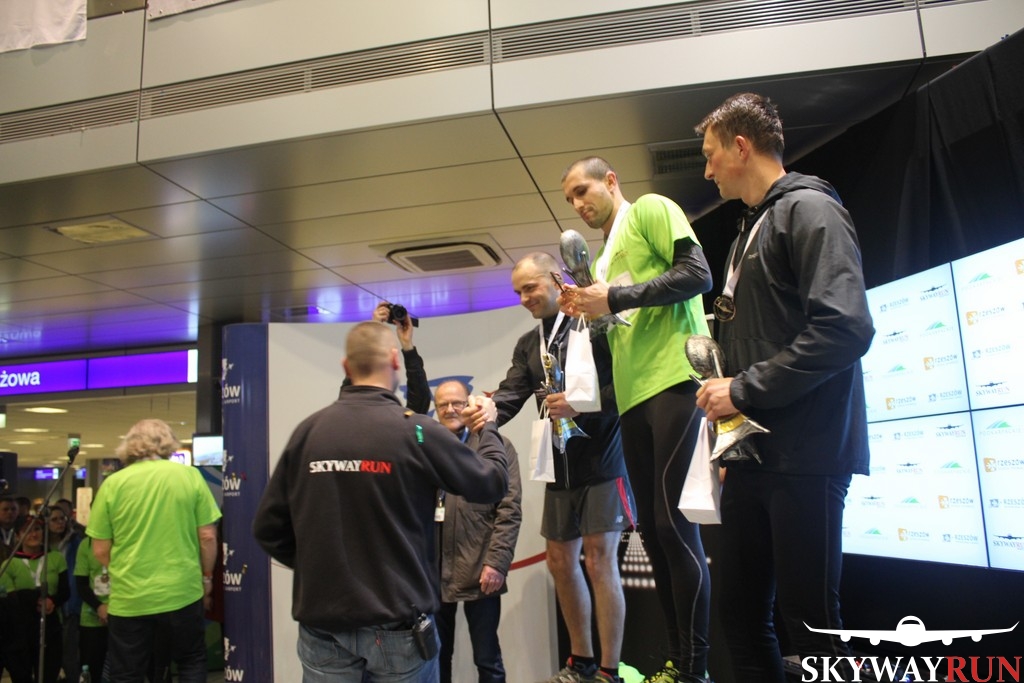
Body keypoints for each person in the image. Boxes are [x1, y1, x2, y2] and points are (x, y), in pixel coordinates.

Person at [693, 92, 875, 682]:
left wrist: (743, 389)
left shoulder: (810, 210)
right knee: (741, 620)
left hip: (807, 454)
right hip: (752, 457)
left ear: (741, 147)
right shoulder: (749, 228)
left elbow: (845, 329)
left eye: (711, 155)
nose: (707, 170)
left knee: (812, 627)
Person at [252, 321, 510, 683]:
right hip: (397, 620)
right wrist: (488, 426)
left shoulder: (309, 432)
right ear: (394, 360)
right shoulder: (416, 431)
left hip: (324, 623)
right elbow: (492, 483)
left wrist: (323, 568)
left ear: (346, 366)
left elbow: (268, 528)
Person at [558, 158, 714, 683]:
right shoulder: (601, 261)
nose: (579, 204)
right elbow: (622, 328)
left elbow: (697, 275)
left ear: (610, 181)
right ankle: (677, 663)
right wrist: (590, 312)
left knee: (674, 528)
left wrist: (613, 297)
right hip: (631, 399)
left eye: (583, 190)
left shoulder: (649, 209)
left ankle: (696, 670)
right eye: (570, 199)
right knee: (653, 532)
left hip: (674, 380)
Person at [492, 252, 635, 683]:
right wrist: (485, 410)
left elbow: (626, 386)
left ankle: (609, 669)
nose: (523, 298)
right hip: (557, 464)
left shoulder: (595, 324)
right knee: (558, 560)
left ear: (556, 280)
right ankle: (581, 661)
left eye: (530, 288)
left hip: (603, 461)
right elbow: (511, 393)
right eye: (518, 292)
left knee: (599, 560)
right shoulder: (528, 344)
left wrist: (582, 403)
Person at [86, 418, 221, 683]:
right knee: (190, 660)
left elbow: (100, 549)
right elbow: (207, 536)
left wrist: (126, 569)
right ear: (169, 443)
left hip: (130, 597)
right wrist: (206, 578)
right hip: (182, 590)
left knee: (127, 672)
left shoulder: (113, 484)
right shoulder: (189, 476)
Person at [433, 379, 522, 683]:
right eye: (442, 405)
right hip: (434, 574)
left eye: (457, 403)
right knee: (436, 658)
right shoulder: (429, 448)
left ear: (470, 404)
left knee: (487, 659)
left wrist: (496, 562)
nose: (450, 409)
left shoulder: (497, 446)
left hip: (481, 571)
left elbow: (509, 510)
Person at [0, 514, 70, 683]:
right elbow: (9, 600)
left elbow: (65, 591)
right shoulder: (9, 564)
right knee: (21, 675)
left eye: (37, 529)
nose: (33, 534)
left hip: (50, 625)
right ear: (18, 535)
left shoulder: (56, 558)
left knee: (48, 674)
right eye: (27, 530)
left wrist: (52, 601)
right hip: (20, 629)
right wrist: (36, 598)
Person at [341, 301, 430, 415]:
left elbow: (419, 404)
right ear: (395, 361)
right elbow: (419, 406)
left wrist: (407, 345)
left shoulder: (325, 420)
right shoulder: (400, 422)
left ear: (346, 367)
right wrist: (374, 331)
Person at [75, 535, 111, 683]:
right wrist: (99, 606)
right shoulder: (85, 545)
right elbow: (81, 584)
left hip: (122, 613)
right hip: (92, 617)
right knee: (90, 671)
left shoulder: (124, 539)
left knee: (124, 669)